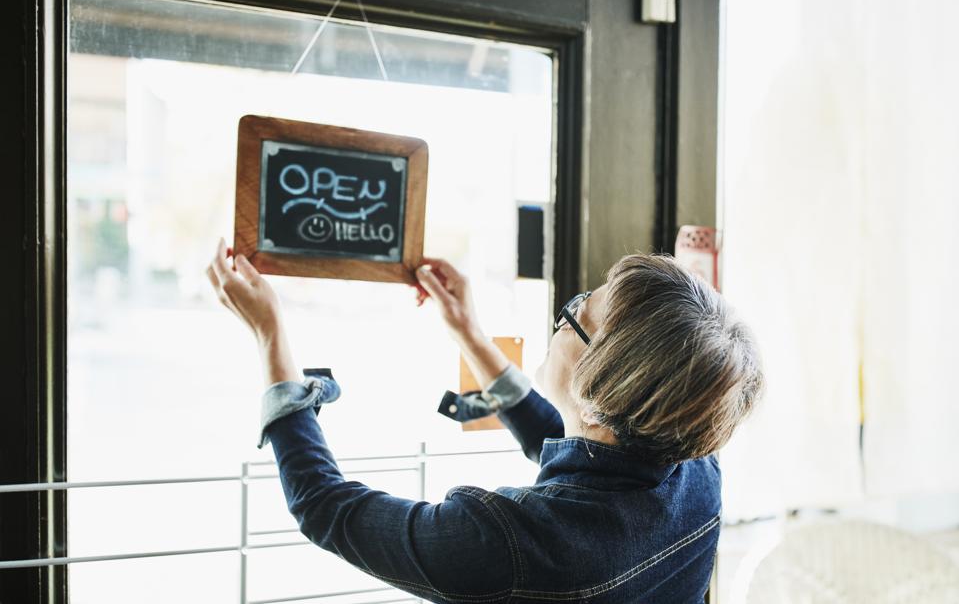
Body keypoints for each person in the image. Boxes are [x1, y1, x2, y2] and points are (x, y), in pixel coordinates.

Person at [206, 239, 763, 604]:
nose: (562, 318)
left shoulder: (505, 546)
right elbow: (582, 448)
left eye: (577, 316)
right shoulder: (695, 466)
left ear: (599, 399)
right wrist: (468, 331)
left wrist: (269, 333)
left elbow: (326, 508)